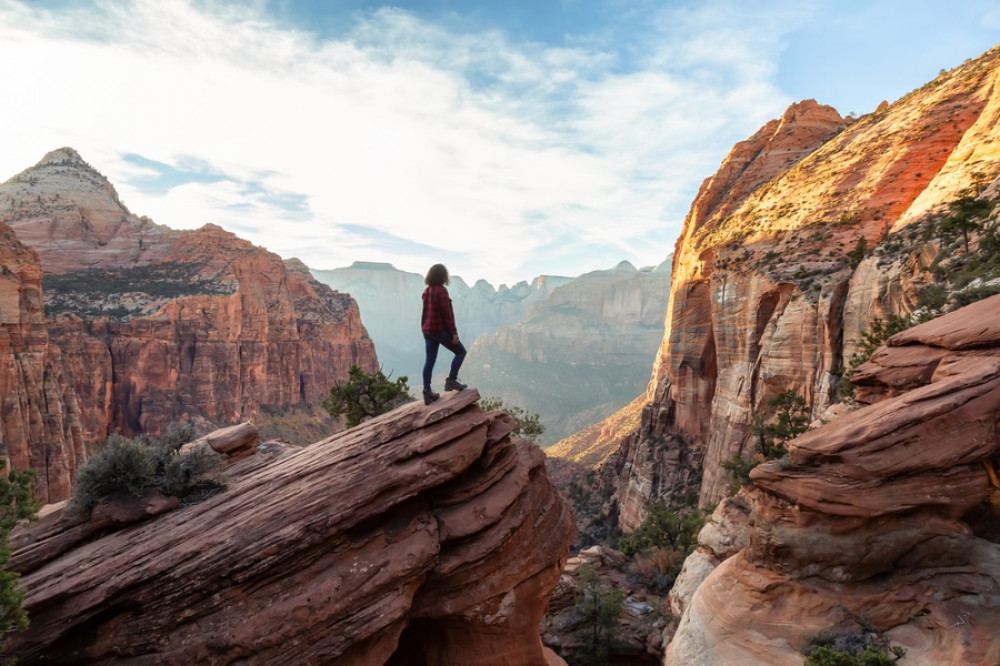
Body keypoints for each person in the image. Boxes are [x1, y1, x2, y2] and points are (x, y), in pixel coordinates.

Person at [421, 263, 467, 405]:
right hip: (439, 330)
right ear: (443, 276)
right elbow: (447, 314)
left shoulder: (426, 291)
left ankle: (427, 392)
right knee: (461, 352)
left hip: (427, 330)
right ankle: (451, 381)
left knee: (429, 361)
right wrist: (453, 333)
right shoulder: (442, 291)